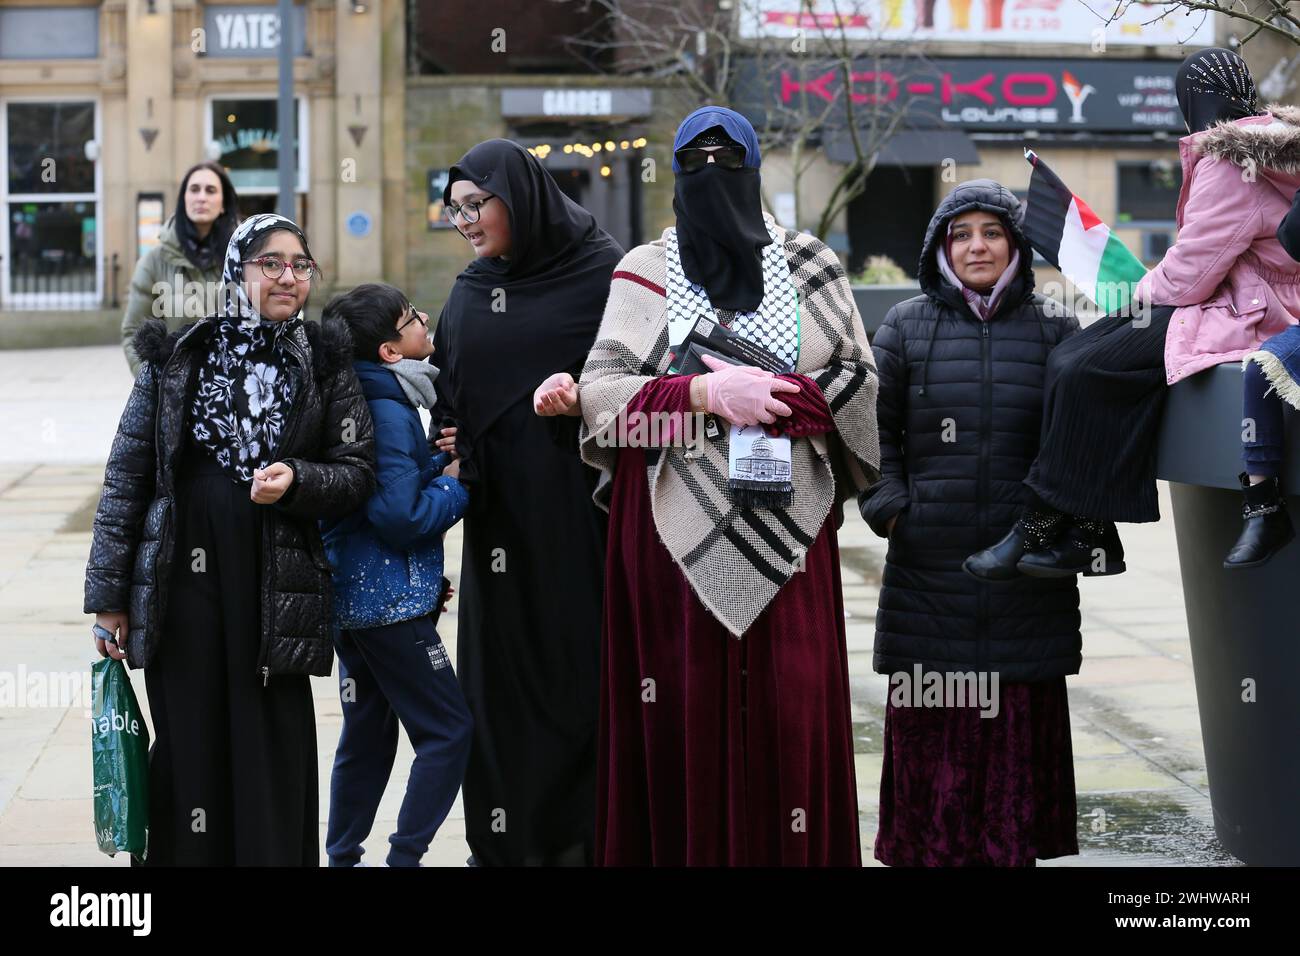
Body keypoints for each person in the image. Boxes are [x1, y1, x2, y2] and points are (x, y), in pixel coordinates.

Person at [550, 106, 880, 866]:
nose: (710, 177)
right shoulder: (642, 267)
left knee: (786, 709)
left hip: (790, 522)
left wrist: (772, 397)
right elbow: (602, 398)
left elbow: (860, 383)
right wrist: (703, 398)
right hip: (665, 532)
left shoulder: (810, 263)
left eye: (726, 162)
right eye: (692, 164)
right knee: (679, 709)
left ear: (755, 170)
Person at [84, 213, 376, 866]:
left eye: (300, 265)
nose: (287, 277)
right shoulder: (179, 356)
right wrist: (109, 598)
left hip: (277, 588)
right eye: (269, 263)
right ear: (236, 272)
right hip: (183, 584)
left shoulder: (326, 361)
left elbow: (357, 472)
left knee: (271, 742)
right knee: (191, 741)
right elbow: (128, 479)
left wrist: (298, 479)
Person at [966, 48, 1300, 578]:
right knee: (1075, 357)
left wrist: (1134, 295)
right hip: (1253, 303)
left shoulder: (1230, 160)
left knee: (1081, 364)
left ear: (1190, 101)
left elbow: (1190, 273)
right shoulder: (1275, 149)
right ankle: (1088, 532)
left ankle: (1043, 524)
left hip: (1242, 310)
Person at [860, 180, 1083, 866]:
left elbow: (1078, 441)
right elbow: (873, 435)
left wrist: (1053, 525)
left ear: (1015, 243)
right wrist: (893, 511)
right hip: (930, 567)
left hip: (1023, 572)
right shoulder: (904, 325)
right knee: (939, 719)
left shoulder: (1055, 327)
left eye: (992, 232)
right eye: (962, 234)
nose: (977, 246)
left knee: (1011, 717)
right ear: (940, 247)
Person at [430, 139, 623, 866]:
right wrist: (446, 443)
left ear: (522, 195)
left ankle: (594, 837)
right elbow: (448, 402)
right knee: (502, 688)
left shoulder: (608, 275)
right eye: (455, 210)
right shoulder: (471, 292)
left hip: (585, 520)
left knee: (585, 679)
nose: (467, 222)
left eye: (478, 204)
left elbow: (649, 382)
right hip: (499, 529)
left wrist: (586, 400)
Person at [319, 282, 473, 868]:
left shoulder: (366, 394)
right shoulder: (386, 407)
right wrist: (456, 484)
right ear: (389, 350)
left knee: (367, 733)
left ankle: (342, 858)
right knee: (448, 731)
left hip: (356, 600)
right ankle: (404, 859)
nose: (425, 319)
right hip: (389, 604)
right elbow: (398, 514)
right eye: (411, 318)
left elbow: (386, 482)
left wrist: (436, 458)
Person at [122, 161, 239, 374]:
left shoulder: (244, 257)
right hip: (178, 395)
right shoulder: (154, 261)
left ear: (223, 203)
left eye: (210, 190)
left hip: (235, 391)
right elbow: (133, 333)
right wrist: (155, 386)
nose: (201, 197)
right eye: (194, 189)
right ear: (184, 199)